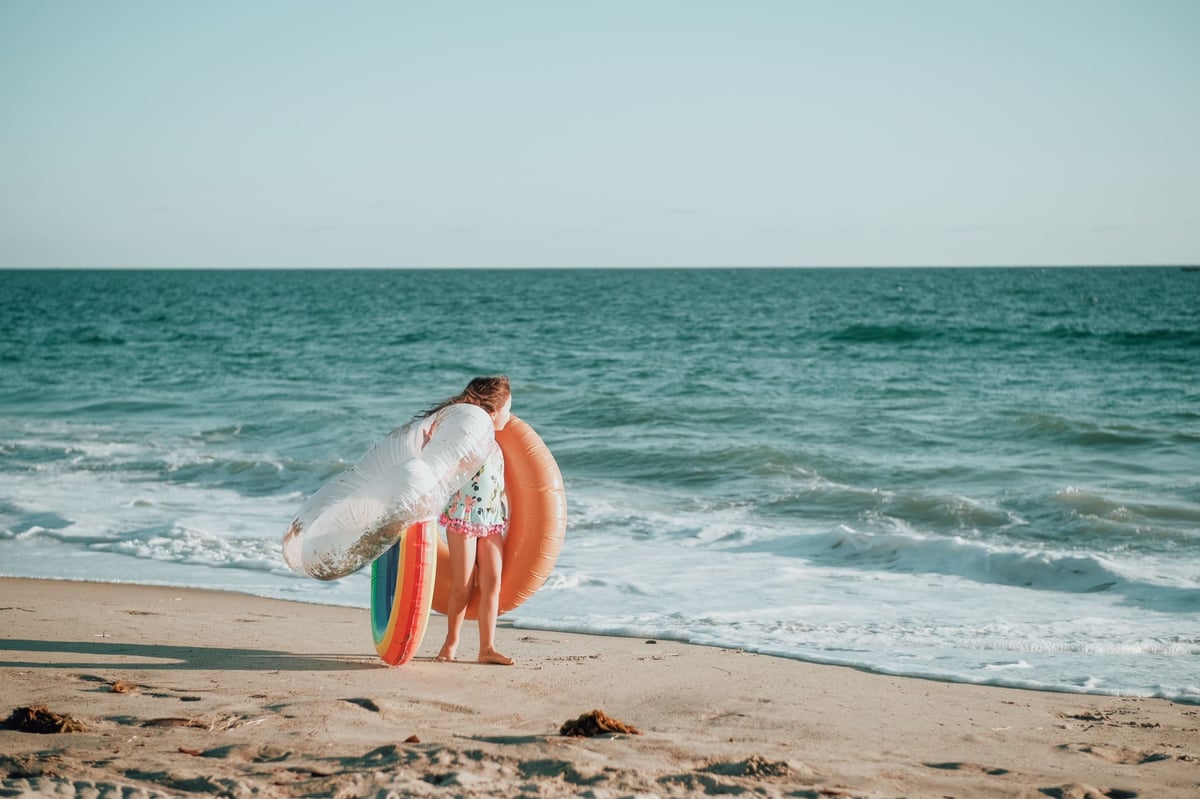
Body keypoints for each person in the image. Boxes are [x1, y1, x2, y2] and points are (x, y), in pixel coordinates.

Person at [417, 376, 514, 665]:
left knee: (493, 581)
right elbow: (445, 467)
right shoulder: (470, 440)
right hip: (463, 518)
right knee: (463, 584)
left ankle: (487, 648)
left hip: (491, 520)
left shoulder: (497, 444)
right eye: (509, 408)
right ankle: (451, 643)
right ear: (493, 413)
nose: (511, 414)